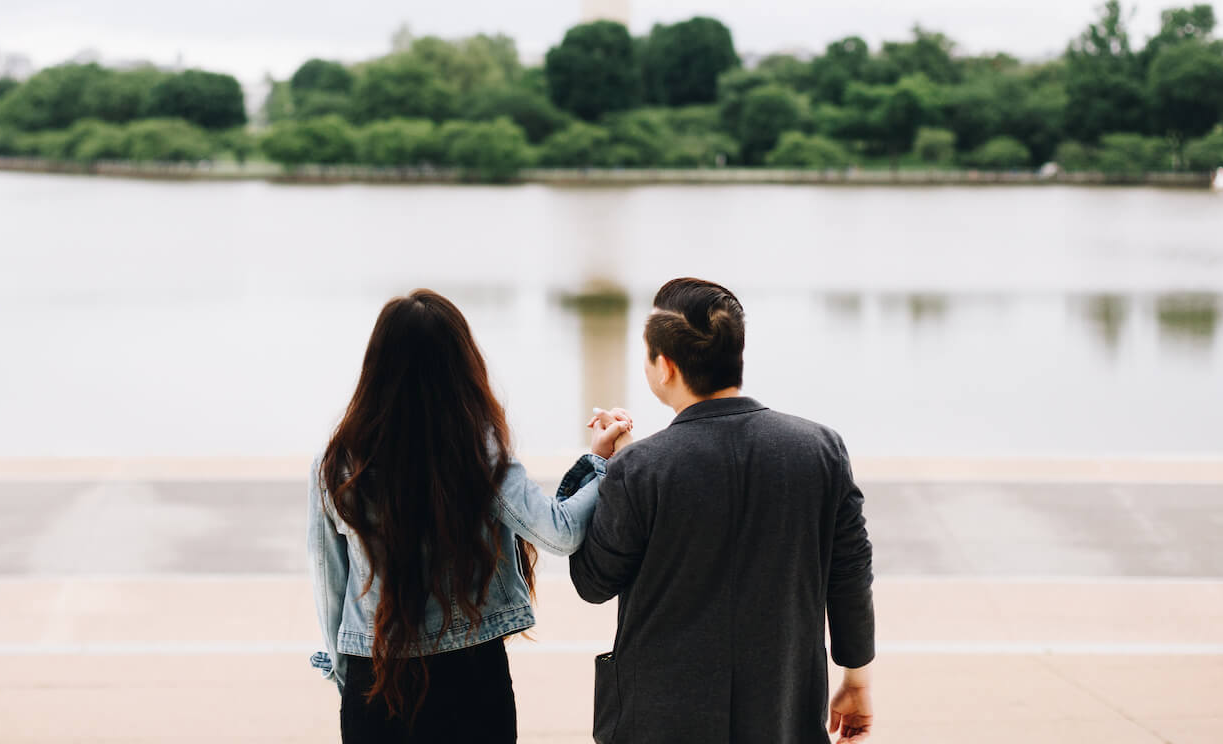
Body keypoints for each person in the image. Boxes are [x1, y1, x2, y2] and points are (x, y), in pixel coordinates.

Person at [308, 288, 634, 743]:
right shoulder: (477, 449)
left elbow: (330, 585)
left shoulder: (339, 462)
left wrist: (348, 676)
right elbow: (559, 533)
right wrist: (605, 466)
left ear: (375, 367)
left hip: (375, 680)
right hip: (471, 677)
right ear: (460, 365)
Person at [570, 277, 876, 743]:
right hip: (781, 709)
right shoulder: (819, 449)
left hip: (660, 715)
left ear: (665, 367)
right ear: (737, 356)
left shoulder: (642, 467)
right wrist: (856, 679)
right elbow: (850, 571)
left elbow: (593, 581)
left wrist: (605, 470)